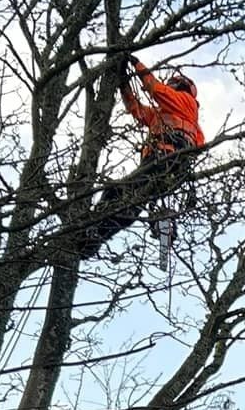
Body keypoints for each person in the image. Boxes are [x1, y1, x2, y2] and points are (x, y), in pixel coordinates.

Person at [80, 54, 203, 258]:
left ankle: (94, 230)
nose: (170, 86)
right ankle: (95, 238)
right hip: (163, 163)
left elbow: (155, 88)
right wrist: (124, 84)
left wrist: (136, 64)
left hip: (164, 160)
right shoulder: (165, 114)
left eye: (173, 84)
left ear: (181, 87)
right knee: (130, 204)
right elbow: (135, 109)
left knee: (118, 192)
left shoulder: (185, 102)